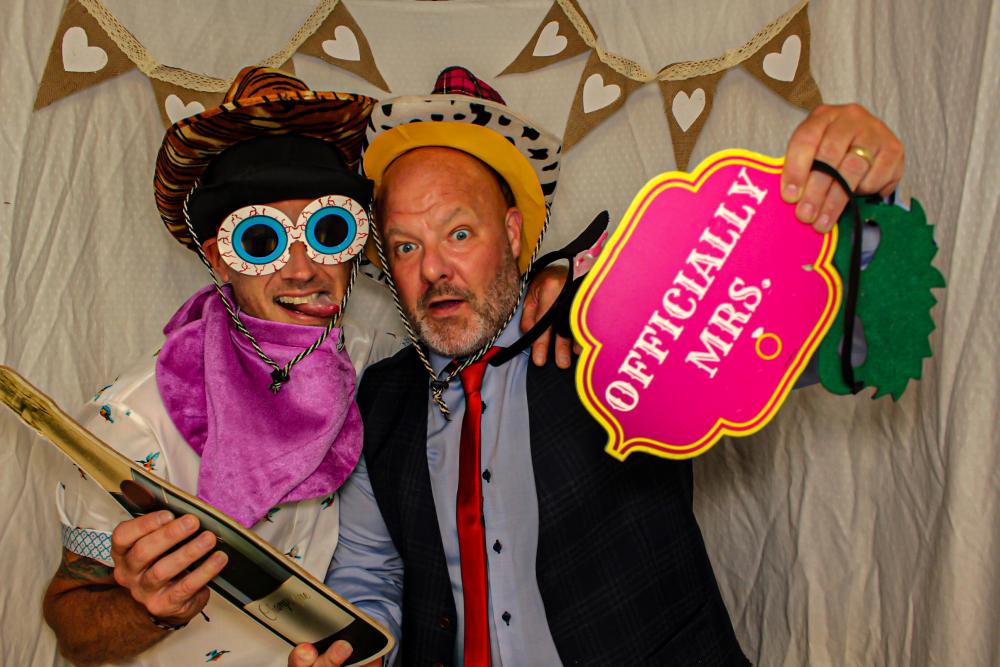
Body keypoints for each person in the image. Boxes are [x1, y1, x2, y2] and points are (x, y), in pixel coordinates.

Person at [292, 67, 906, 666]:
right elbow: (372, 571)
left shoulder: (620, 327)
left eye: (458, 234)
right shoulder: (377, 401)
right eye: (406, 245)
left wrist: (862, 203)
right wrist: (356, 651)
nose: (432, 269)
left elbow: (839, 333)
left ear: (512, 234)